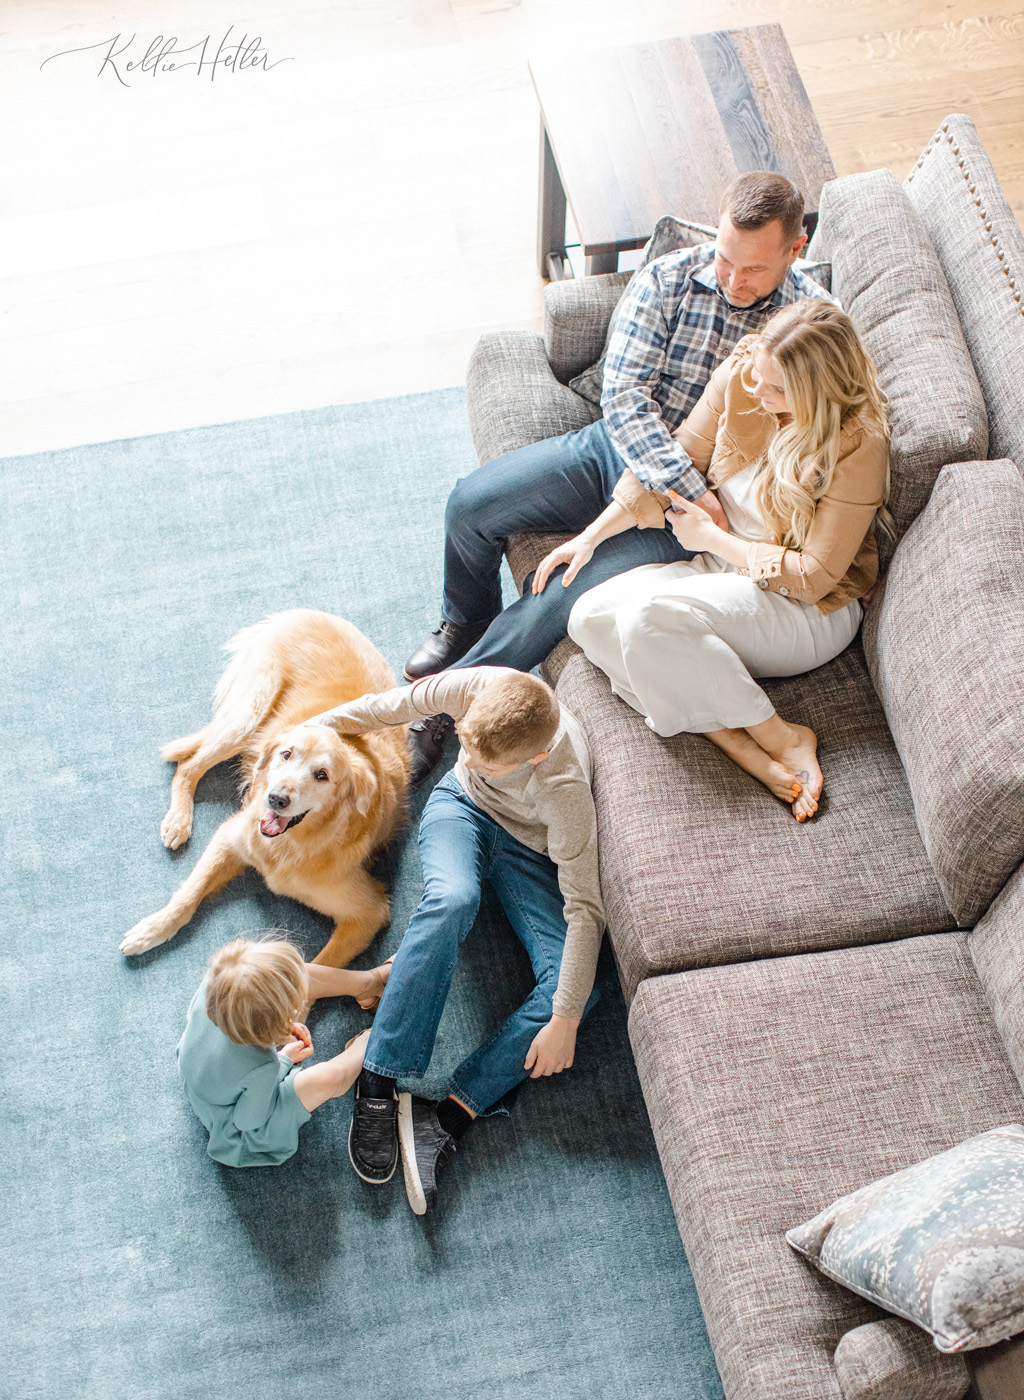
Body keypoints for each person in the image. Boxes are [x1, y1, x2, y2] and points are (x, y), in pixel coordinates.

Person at [402, 171, 838, 782]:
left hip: (687, 515)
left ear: (795, 250)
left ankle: (440, 710)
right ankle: (464, 617)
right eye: (724, 258)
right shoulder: (667, 277)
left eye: (754, 270)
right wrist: (686, 482)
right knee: (471, 504)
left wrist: (691, 499)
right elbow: (626, 397)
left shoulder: (812, 325)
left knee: (552, 602)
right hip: (626, 453)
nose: (734, 281)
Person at [558, 299, 892, 821]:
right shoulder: (745, 375)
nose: (759, 395)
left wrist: (713, 539)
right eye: (759, 378)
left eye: (777, 390)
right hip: (722, 574)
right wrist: (590, 537)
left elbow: (813, 577)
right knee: (587, 617)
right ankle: (729, 736)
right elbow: (676, 460)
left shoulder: (857, 443)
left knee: (650, 620)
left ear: (818, 392)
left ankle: (779, 736)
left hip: (806, 609)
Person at [308, 667, 603, 1215]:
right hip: (461, 811)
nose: (467, 759)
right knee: (452, 901)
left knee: (577, 996)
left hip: (527, 850)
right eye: (465, 744)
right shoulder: (479, 689)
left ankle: (445, 1116)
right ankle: (378, 1074)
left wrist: (563, 1020)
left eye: (487, 762)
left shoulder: (563, 789)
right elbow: (383, 707)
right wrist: (305, 733)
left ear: (533, 760)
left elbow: (586, 911)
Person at [176, 936, 393, 1167]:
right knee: (327, 1079)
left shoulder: (217, 983)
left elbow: (253, 1010)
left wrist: (277, 1027)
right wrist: (284, 1061)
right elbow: (247, 1121)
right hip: (235, 1124)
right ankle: (372, 1038)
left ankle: (368, 983)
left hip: (202, 1071)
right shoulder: (263, 1067)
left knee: (274, 976)